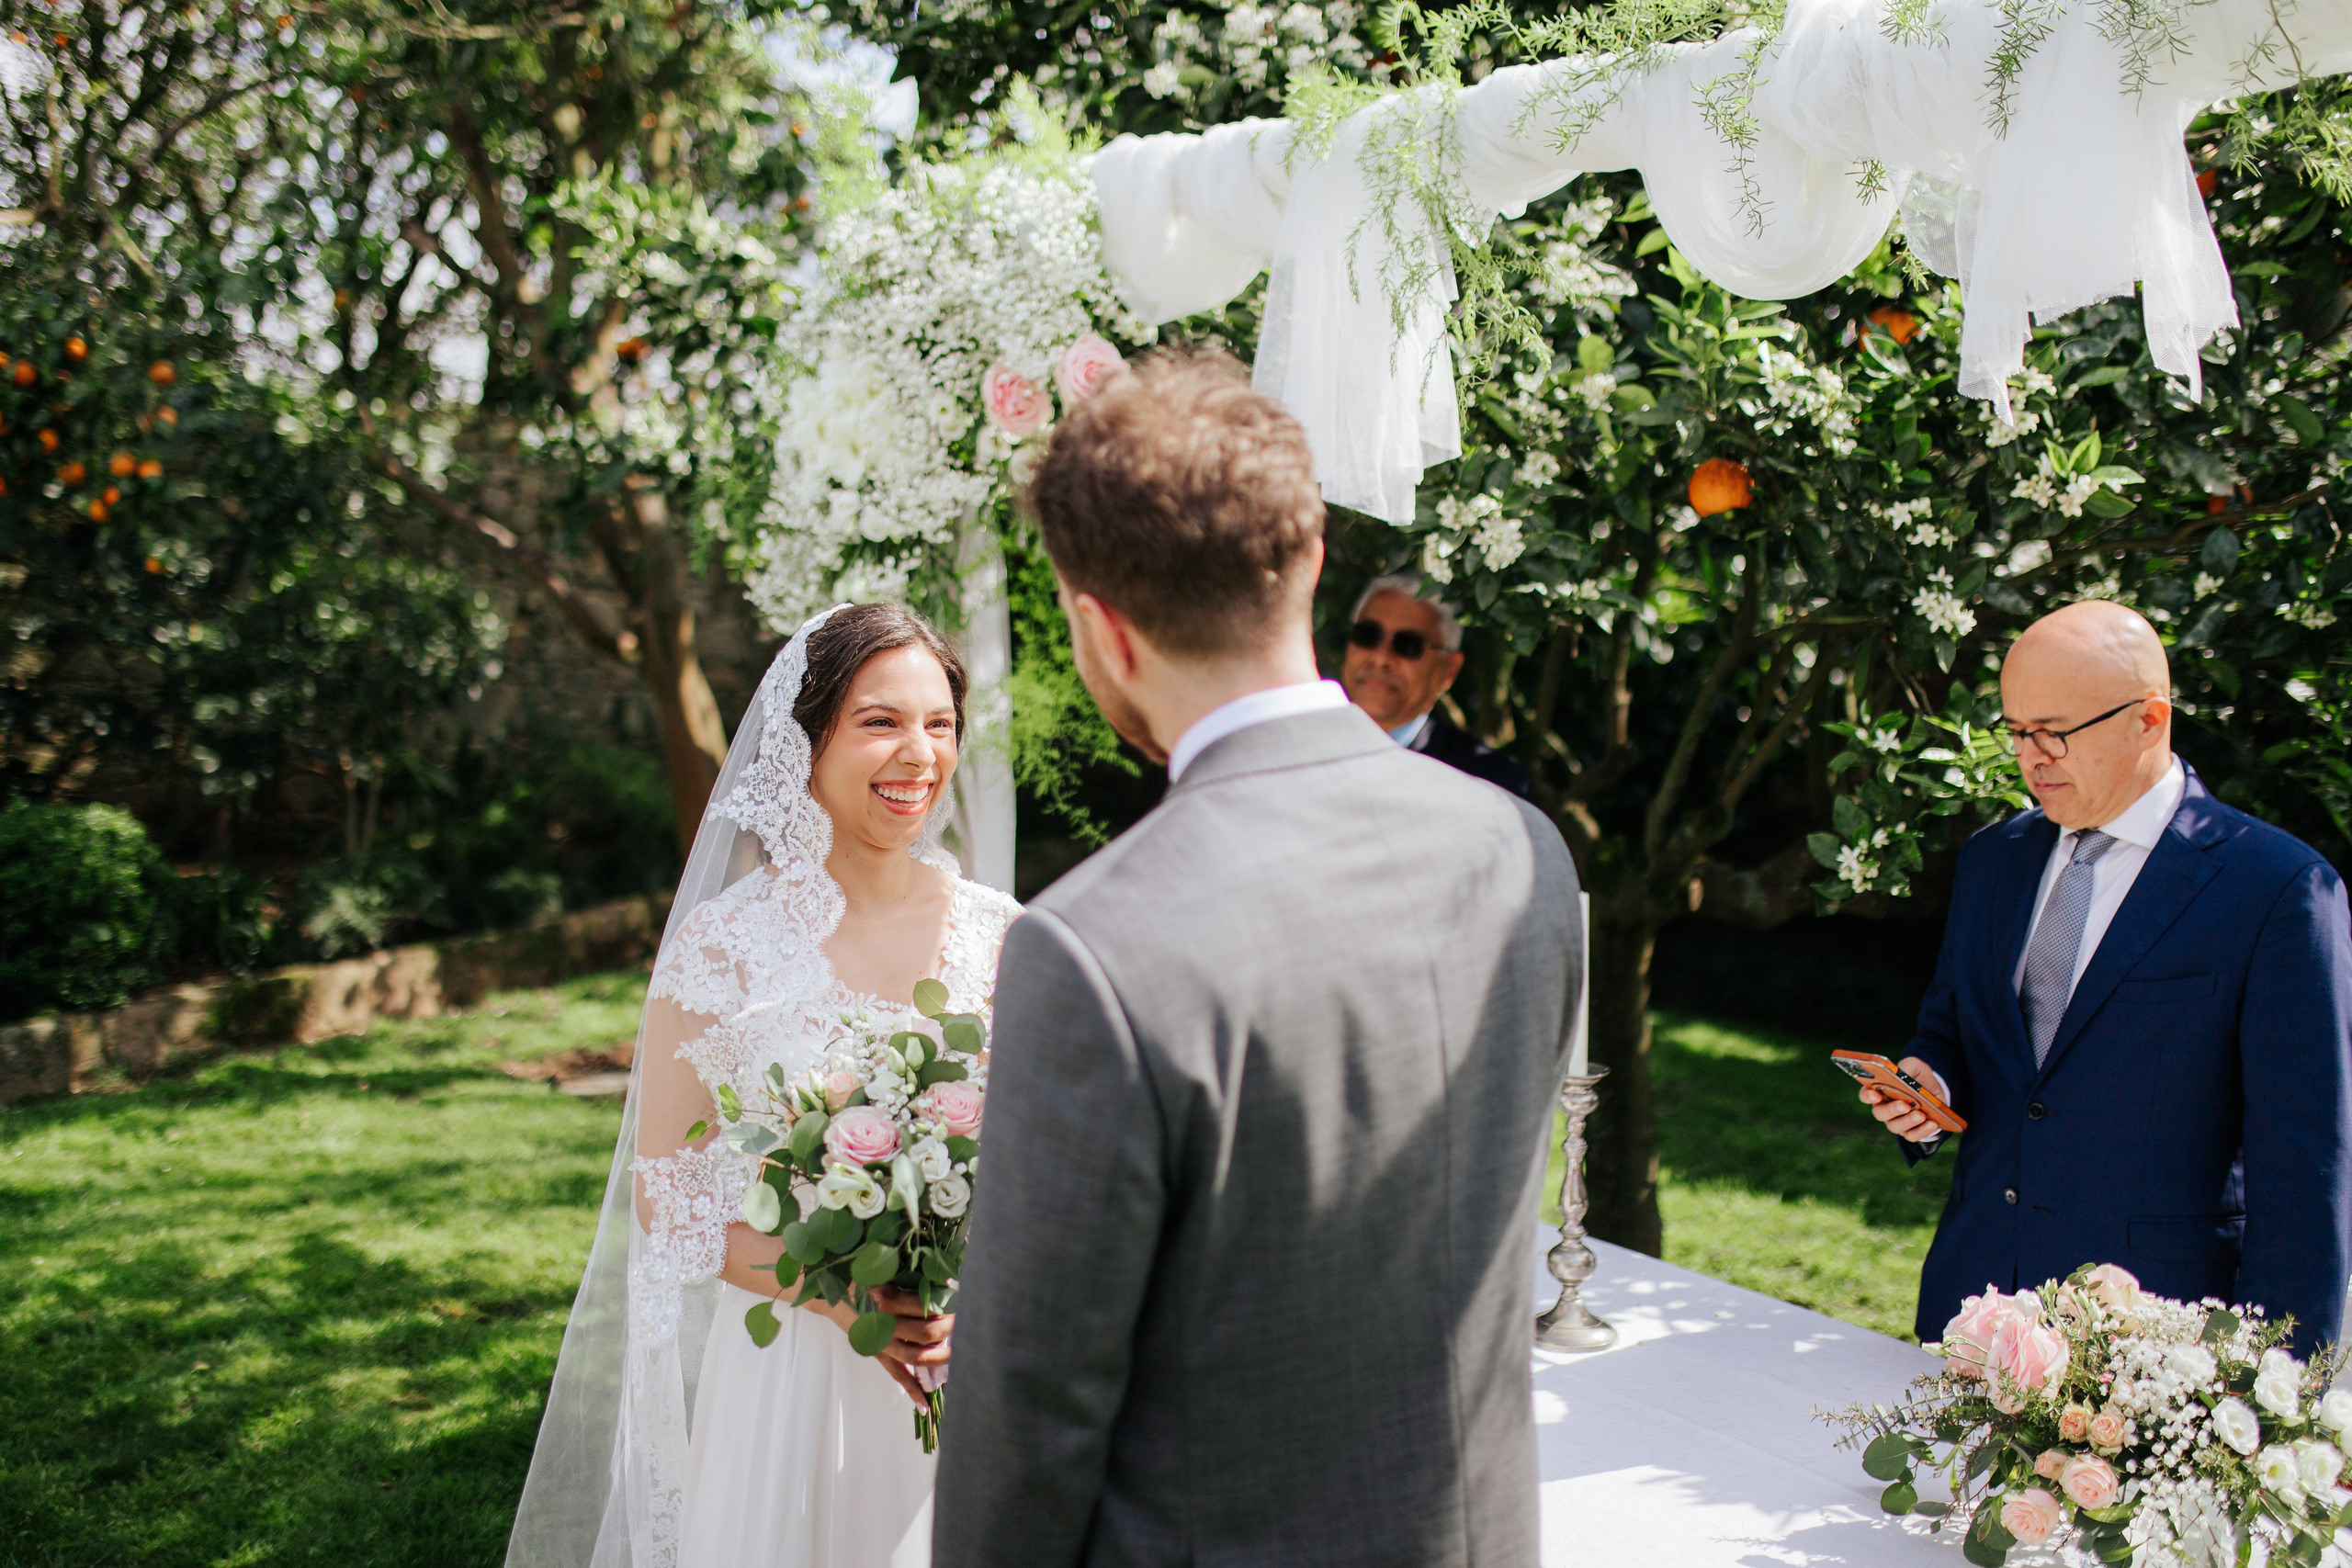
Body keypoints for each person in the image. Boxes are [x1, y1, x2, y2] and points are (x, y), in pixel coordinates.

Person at [933, 351, 1582, 1567]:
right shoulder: (1520, 851)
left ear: (1099, 626)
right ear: (1312, 560)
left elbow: (1029, 1411)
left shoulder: (1091, 948)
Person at [504, 603, 1022, 1568]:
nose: (919, 754)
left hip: (976, 1357)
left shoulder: (1003, 934)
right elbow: (668, 1196)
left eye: (940, 723)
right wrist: (845, 1299)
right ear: (804, 742)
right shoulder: (723, 948)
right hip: (791, 1375)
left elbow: (1049, 1163)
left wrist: (974, 1292)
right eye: (880, 721)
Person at [1860, 600, 2352, 1353]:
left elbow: (2305, 1171)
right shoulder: (1994, 859)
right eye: (2016, 731)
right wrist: (1932, 1087)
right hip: (1973, 1308)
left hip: (2154, 1344)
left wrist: (2275, 1380)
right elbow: (1952, 1030)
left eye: (2054, 732)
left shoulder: (2279, 889)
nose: (2031, 757)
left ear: (2149, 720)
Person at [1340, 570, 1534, 799]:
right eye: (1367, 635)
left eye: (1408, 645)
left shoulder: (1489, 784)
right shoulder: (1304, 743)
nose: (1381, 658)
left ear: (1449, 669)